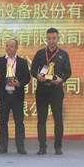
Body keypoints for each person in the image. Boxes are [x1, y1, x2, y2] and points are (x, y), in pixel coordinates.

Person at [30, 28, 72, 156]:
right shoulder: (40, 53)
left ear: (58, 39)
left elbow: (68, 72)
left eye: (54, 38)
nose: (52, 40)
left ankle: (58, 147)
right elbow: (33, 69)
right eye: (49, 38)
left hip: (56, 90)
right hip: (42, 90)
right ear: (46, 39)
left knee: (58, 119)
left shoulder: (63, 54)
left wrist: (61, 80)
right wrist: (37, 76)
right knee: (41, 120)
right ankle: (42, 147)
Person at [0, 39, 31, 155]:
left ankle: (20, 147)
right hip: (3, 96)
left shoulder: (22, 62)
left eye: (12, 46)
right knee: (3, 122)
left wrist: (19, 83)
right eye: (7, 46)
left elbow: (27, 78)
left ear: (16, 48)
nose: (9, 48)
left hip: (17, 96)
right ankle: (3, 147)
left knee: (19, 122)